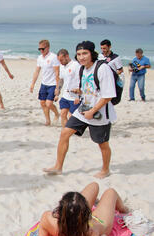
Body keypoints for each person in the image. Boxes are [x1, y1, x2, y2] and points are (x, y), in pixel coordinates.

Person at [43, 41, 117, 179]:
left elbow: (108, 95)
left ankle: (105, 170)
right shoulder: (83, 68)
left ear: (92, 54)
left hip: (100, 112)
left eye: (85, 53)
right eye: (78, 54)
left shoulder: (102, 68)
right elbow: (90, 88)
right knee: (65, 133)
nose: (81, 57)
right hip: (84, 108)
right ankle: (58, 167)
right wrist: (80, 92)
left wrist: (92, 111)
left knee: (102, 143)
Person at [30, 39, 60, 126]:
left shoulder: (53, 57)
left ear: (48, 47)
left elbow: (57, 73)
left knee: (49, 103)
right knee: (42, 103)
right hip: (44, 83)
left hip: (53, 84)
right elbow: (37, 71)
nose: (41, 51)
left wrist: (58, 88)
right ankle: (48, 120)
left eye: (43, 49)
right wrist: (33, 84)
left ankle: (57, 114)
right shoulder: (40, 58)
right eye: (39, 49)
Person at [56, 49, 81, 128]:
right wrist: (58, 90)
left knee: (71, 117)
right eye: (59, 60)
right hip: (65, 95)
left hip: (74, 97)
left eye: (61, 60)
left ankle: (72, 130)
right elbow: (61, 79)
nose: (60, 62)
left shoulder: (76, 65)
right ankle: (65, 131)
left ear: (67, 56)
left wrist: (78, 96)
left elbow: (81, 81)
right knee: (63, 114)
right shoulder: (62, 66)